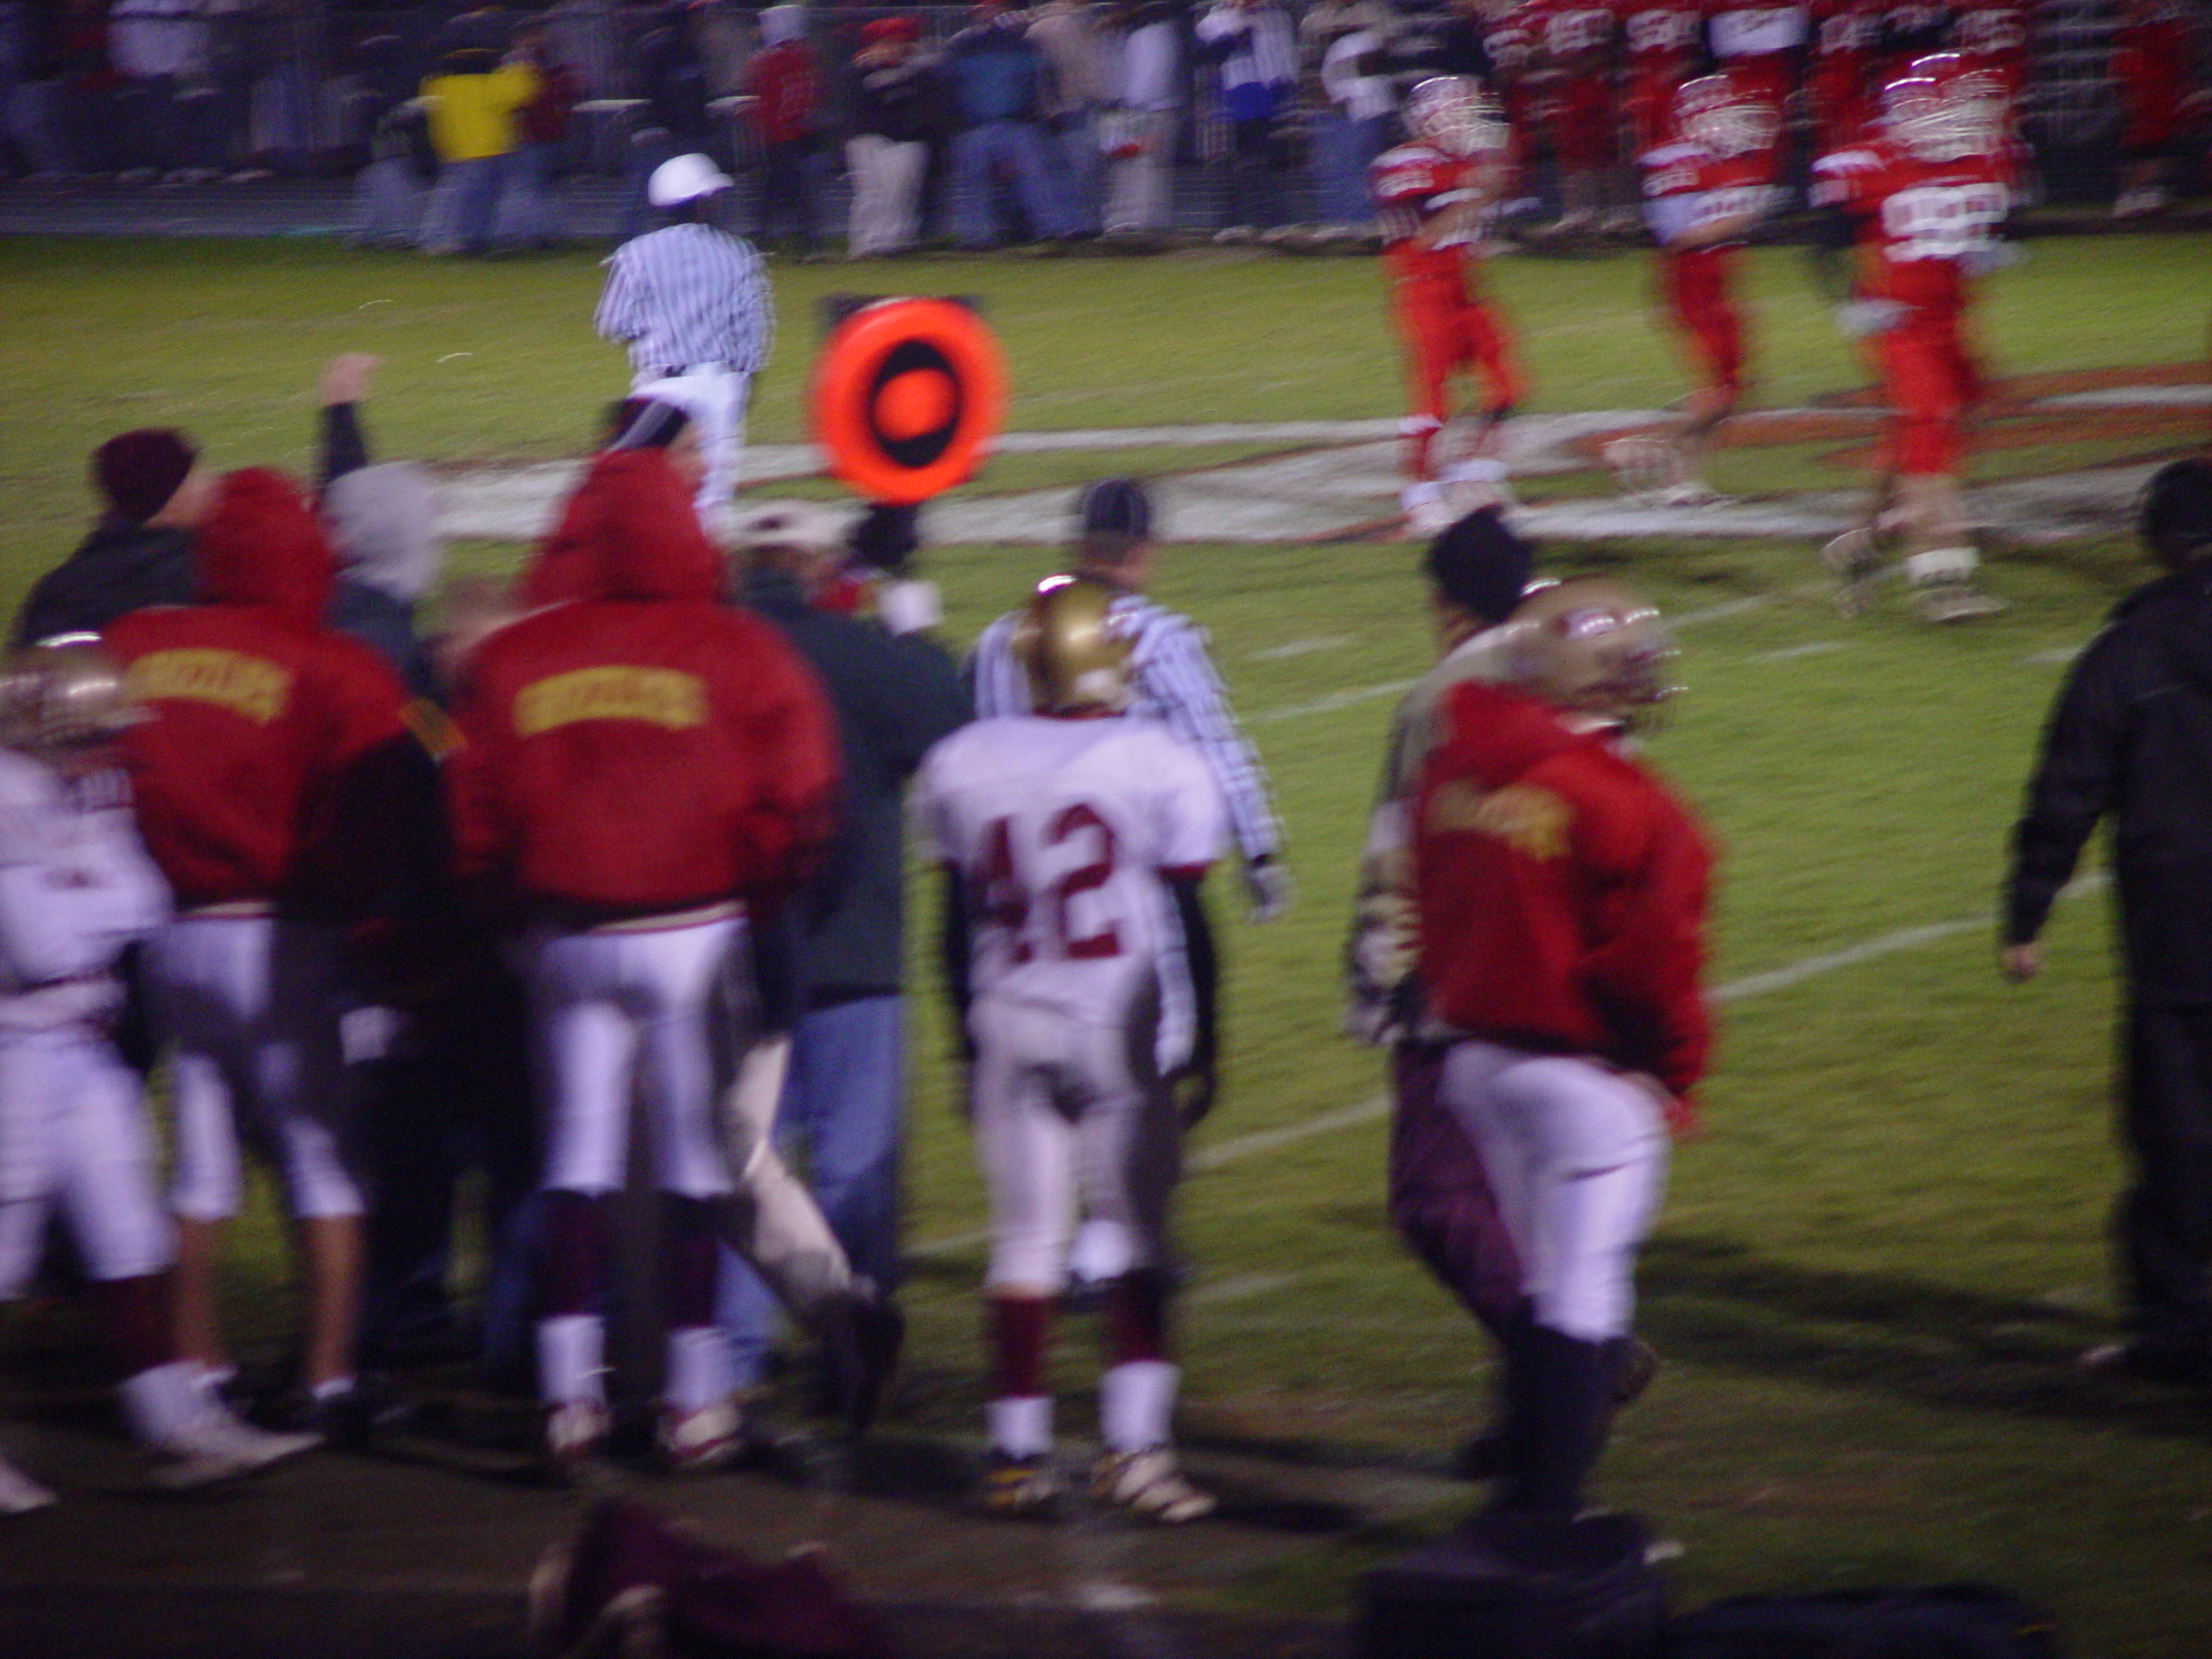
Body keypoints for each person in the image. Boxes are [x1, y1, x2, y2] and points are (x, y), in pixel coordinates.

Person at [448, 448, 899, 1474]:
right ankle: (695, 1405)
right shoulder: (736, 648)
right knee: (699, 1170)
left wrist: (510, 914)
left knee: (575, 1166)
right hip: (694, 935)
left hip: (566, 940)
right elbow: (802, 805)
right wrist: (755, 897)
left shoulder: (519, 656)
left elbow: (470, 816)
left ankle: (570, 1404)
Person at [100, 468, 428, 1435]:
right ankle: (326, 1377)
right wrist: (369, 919)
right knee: (321, 1163)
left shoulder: (136, 644)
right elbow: (396, 795)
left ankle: (198, 1368)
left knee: (198, 1161)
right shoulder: (335, 664)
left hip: (168, 932)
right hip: (284, 935)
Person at [917, 574, 1226, 1522]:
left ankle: (1016, 1454)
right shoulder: (1149, 756)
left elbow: (948, 921)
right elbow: (1187, 913)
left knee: (1022, 1245)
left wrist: (965, 1047)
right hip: (1111, 1027)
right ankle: (1134, 1452)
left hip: (1007, 1018)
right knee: (1136, 1243)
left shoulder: (961, 758)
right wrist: (1208, 1035)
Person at [0, 641, 320, 1510]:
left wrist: (82, 893)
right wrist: (87, 899)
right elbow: (42, 947)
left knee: (129, 1239)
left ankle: (175, 1429)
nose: (111, 751)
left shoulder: (79, 789)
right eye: (93, 735)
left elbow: (142, 901)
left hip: (84, 1048)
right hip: (14, 1056)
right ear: (45, 733)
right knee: (6, 1252)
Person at [1414, 576, 1708, 1516]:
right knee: (1581, 1299)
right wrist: (1669, 1070)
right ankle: (1541, 1521)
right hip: (1580, 1081)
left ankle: (1522, 1503)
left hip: (1470, 1063)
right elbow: (1652, 967)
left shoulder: (1454, 769)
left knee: (1542, 1290)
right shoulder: (1630, 803)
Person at [713, 500, 969, 1418]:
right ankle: (854, 1360)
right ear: (822, 570)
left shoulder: (719, 648)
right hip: (856, 947)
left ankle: (730, 1368)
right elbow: (948, 713)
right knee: (855, 1172)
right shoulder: (859, 653)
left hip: (737, 951)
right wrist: (905, 597)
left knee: (747, 1174)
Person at [2000, 458, 2212, 1385]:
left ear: (2161, 542)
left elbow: (2068, 784)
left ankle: (2173, 1332)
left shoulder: (2129, 649)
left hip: (2176, 932)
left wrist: (2026, 910)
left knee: (2171, 1132)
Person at [969, 478, 1287, 923]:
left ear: (1078, 545)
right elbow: (1215, 748)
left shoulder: (997, 640)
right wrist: (1258, 852)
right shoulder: (1158, 637)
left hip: (1017, 885)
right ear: (1145, 549)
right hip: (1124, 886)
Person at [1812, 49, 2016, 624]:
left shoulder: (1984, 159)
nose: (1969, 120)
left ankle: (1857, 542)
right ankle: (1940, 579)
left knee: (1921, 433)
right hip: (1901, 326)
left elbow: (1990, 230)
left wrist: (1990, 243)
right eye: (1957, 109)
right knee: (1933, 444)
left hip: (1951, 324)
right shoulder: (1867, 163)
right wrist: (1853, 304)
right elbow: (1824, 245)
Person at [1617, 69, 1784, 505]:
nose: (1737, 124)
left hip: (1721, 289)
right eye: (1728, 114)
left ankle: (1684, 479)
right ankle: (1646, 451)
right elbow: (1679, 233)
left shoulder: (1731, 166)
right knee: (1717, 392)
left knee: (1733, 393)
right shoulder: (1674, 160)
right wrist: (1741, 218)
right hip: (1688, 288)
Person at [1372, 76, 1529, 534]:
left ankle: (1476, 478)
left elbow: (1477, 225)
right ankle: (1419, 497)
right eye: (1462, 114)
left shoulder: (1464, 163)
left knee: (1507, 388)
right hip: (1423, 287)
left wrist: (1487, 183)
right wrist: (1480, 189)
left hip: (1466, 287)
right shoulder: (1405, 164)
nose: (1471, 125)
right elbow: (1425, 236)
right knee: (1433, 402)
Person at [594, 150, 773, 528]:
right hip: (720, 384)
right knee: (710, 501)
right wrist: (742, 385)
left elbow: (614, 323)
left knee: (650, 490)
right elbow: (753, 332)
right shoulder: (738, 252)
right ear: (700, 202)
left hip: (661, 385)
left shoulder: (634, 254)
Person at [15, 429, 215, 646]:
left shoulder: (57, 594)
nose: (212, 483)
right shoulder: (212, 573)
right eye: (196, 476)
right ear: (175, 495)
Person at [943, 0, 1065, 249]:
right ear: (974, 12)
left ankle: (1052, 231)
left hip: (1017, 122)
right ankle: (976, 237)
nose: (991, 13)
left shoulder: (1022, 43)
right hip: (974, 125)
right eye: (985, 8)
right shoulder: (960, 45)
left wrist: (1042, 113)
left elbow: (1044, 79)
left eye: (996, 8)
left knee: (1036, 180)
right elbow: (944, 88)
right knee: (974, 184)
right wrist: (954, 123)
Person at [417, 41, 538, 257]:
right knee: (483, 200)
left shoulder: (438, 86)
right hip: (488, 150)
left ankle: (451, 239)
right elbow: (522, 93)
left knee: (458, 198)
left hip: (454, 151)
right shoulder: (487, 84)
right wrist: (522, 68)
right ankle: (472, 240)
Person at [1196, 0, 1297, 236]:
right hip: (1235, 101)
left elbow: (1284, 61)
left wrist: (1283, 96)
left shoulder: (1275, 16)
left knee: (1268, 165)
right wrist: (1239, 24)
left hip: (1270, 100)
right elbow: (1213, 51)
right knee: (1237, 165)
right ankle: (1235, 224)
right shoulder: (1217, 17)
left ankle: (1273, 225)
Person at [844, 16, 934, 257]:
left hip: (907, 138)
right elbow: (858, 105)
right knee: (871, 193)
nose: (893, 47)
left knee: (901, 191)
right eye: (887, 42)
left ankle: (896, 242)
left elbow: (925, 102)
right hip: (867, 137)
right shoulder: (861, 69)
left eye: (900, 41)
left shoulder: (920, 69)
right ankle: (865, 244)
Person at [1097, 0, 1182, 237]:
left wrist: (1132, 106)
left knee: (1145, 165)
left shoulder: (1154, 28)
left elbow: (1154, 74)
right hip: (1124, 108)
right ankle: (1122, 220)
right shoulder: (1119, 35)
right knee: (1122, 167)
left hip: (1150, 109)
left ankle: (1144, 223)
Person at [2110, 0, 2200, 219]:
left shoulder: (2169, 24)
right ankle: (2133, 192)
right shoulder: (2136, 32)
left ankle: (2150, 188)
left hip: (2161, 73)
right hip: (2143, 68)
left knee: (2160, 130)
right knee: (2139, 130)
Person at [743, 4, 820, 251]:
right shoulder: (801, 56)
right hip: (792, 131)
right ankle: (801, 238)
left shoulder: (774, 60)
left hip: (780, 132)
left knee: (782, 187)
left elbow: (767, 96)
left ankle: (797, 239)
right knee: (783, 187)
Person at [1027, 0, 1107, 237]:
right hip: (1076, 105)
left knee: (1053, 172)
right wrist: (1098, 96)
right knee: (1083, 169)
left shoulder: (1034, 27)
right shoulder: (1075, 23)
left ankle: (1061, 225)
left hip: (1046, 111)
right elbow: (1085, 66)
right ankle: (1086, 225)